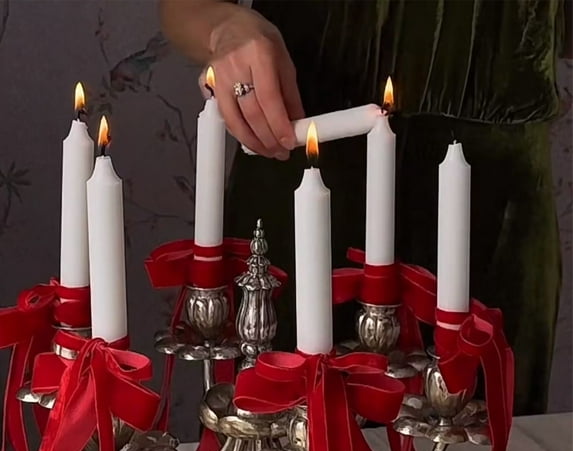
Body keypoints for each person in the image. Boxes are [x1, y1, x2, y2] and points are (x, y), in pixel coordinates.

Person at [161, 0, 570, 415]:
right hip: (305, 176)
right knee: (282, 433)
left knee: (472, 434)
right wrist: (225, 28)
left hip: (491, 206)